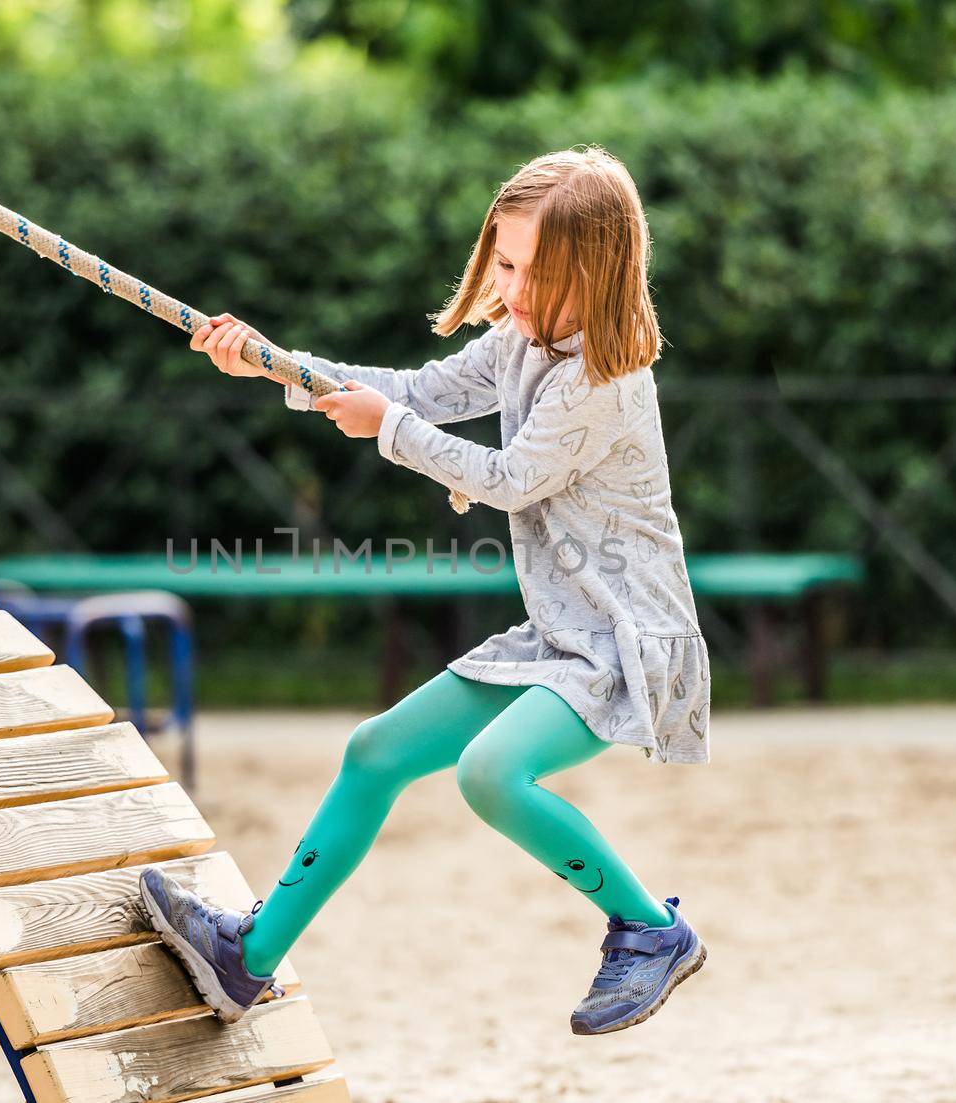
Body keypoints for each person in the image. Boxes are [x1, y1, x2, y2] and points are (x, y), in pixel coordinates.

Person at [140, 145, 711, 1036]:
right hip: (561, 633)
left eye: (538, 272)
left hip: (623, 641)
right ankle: (244, 961)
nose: (514, 289)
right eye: (507, 262)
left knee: (491, 772)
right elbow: (416, 391)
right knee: (376, 752)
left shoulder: (603, 377)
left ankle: (651, 930)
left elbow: (512, 476)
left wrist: (391, 431)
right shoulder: (523, 342)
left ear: (597, 271)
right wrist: (277, 365)